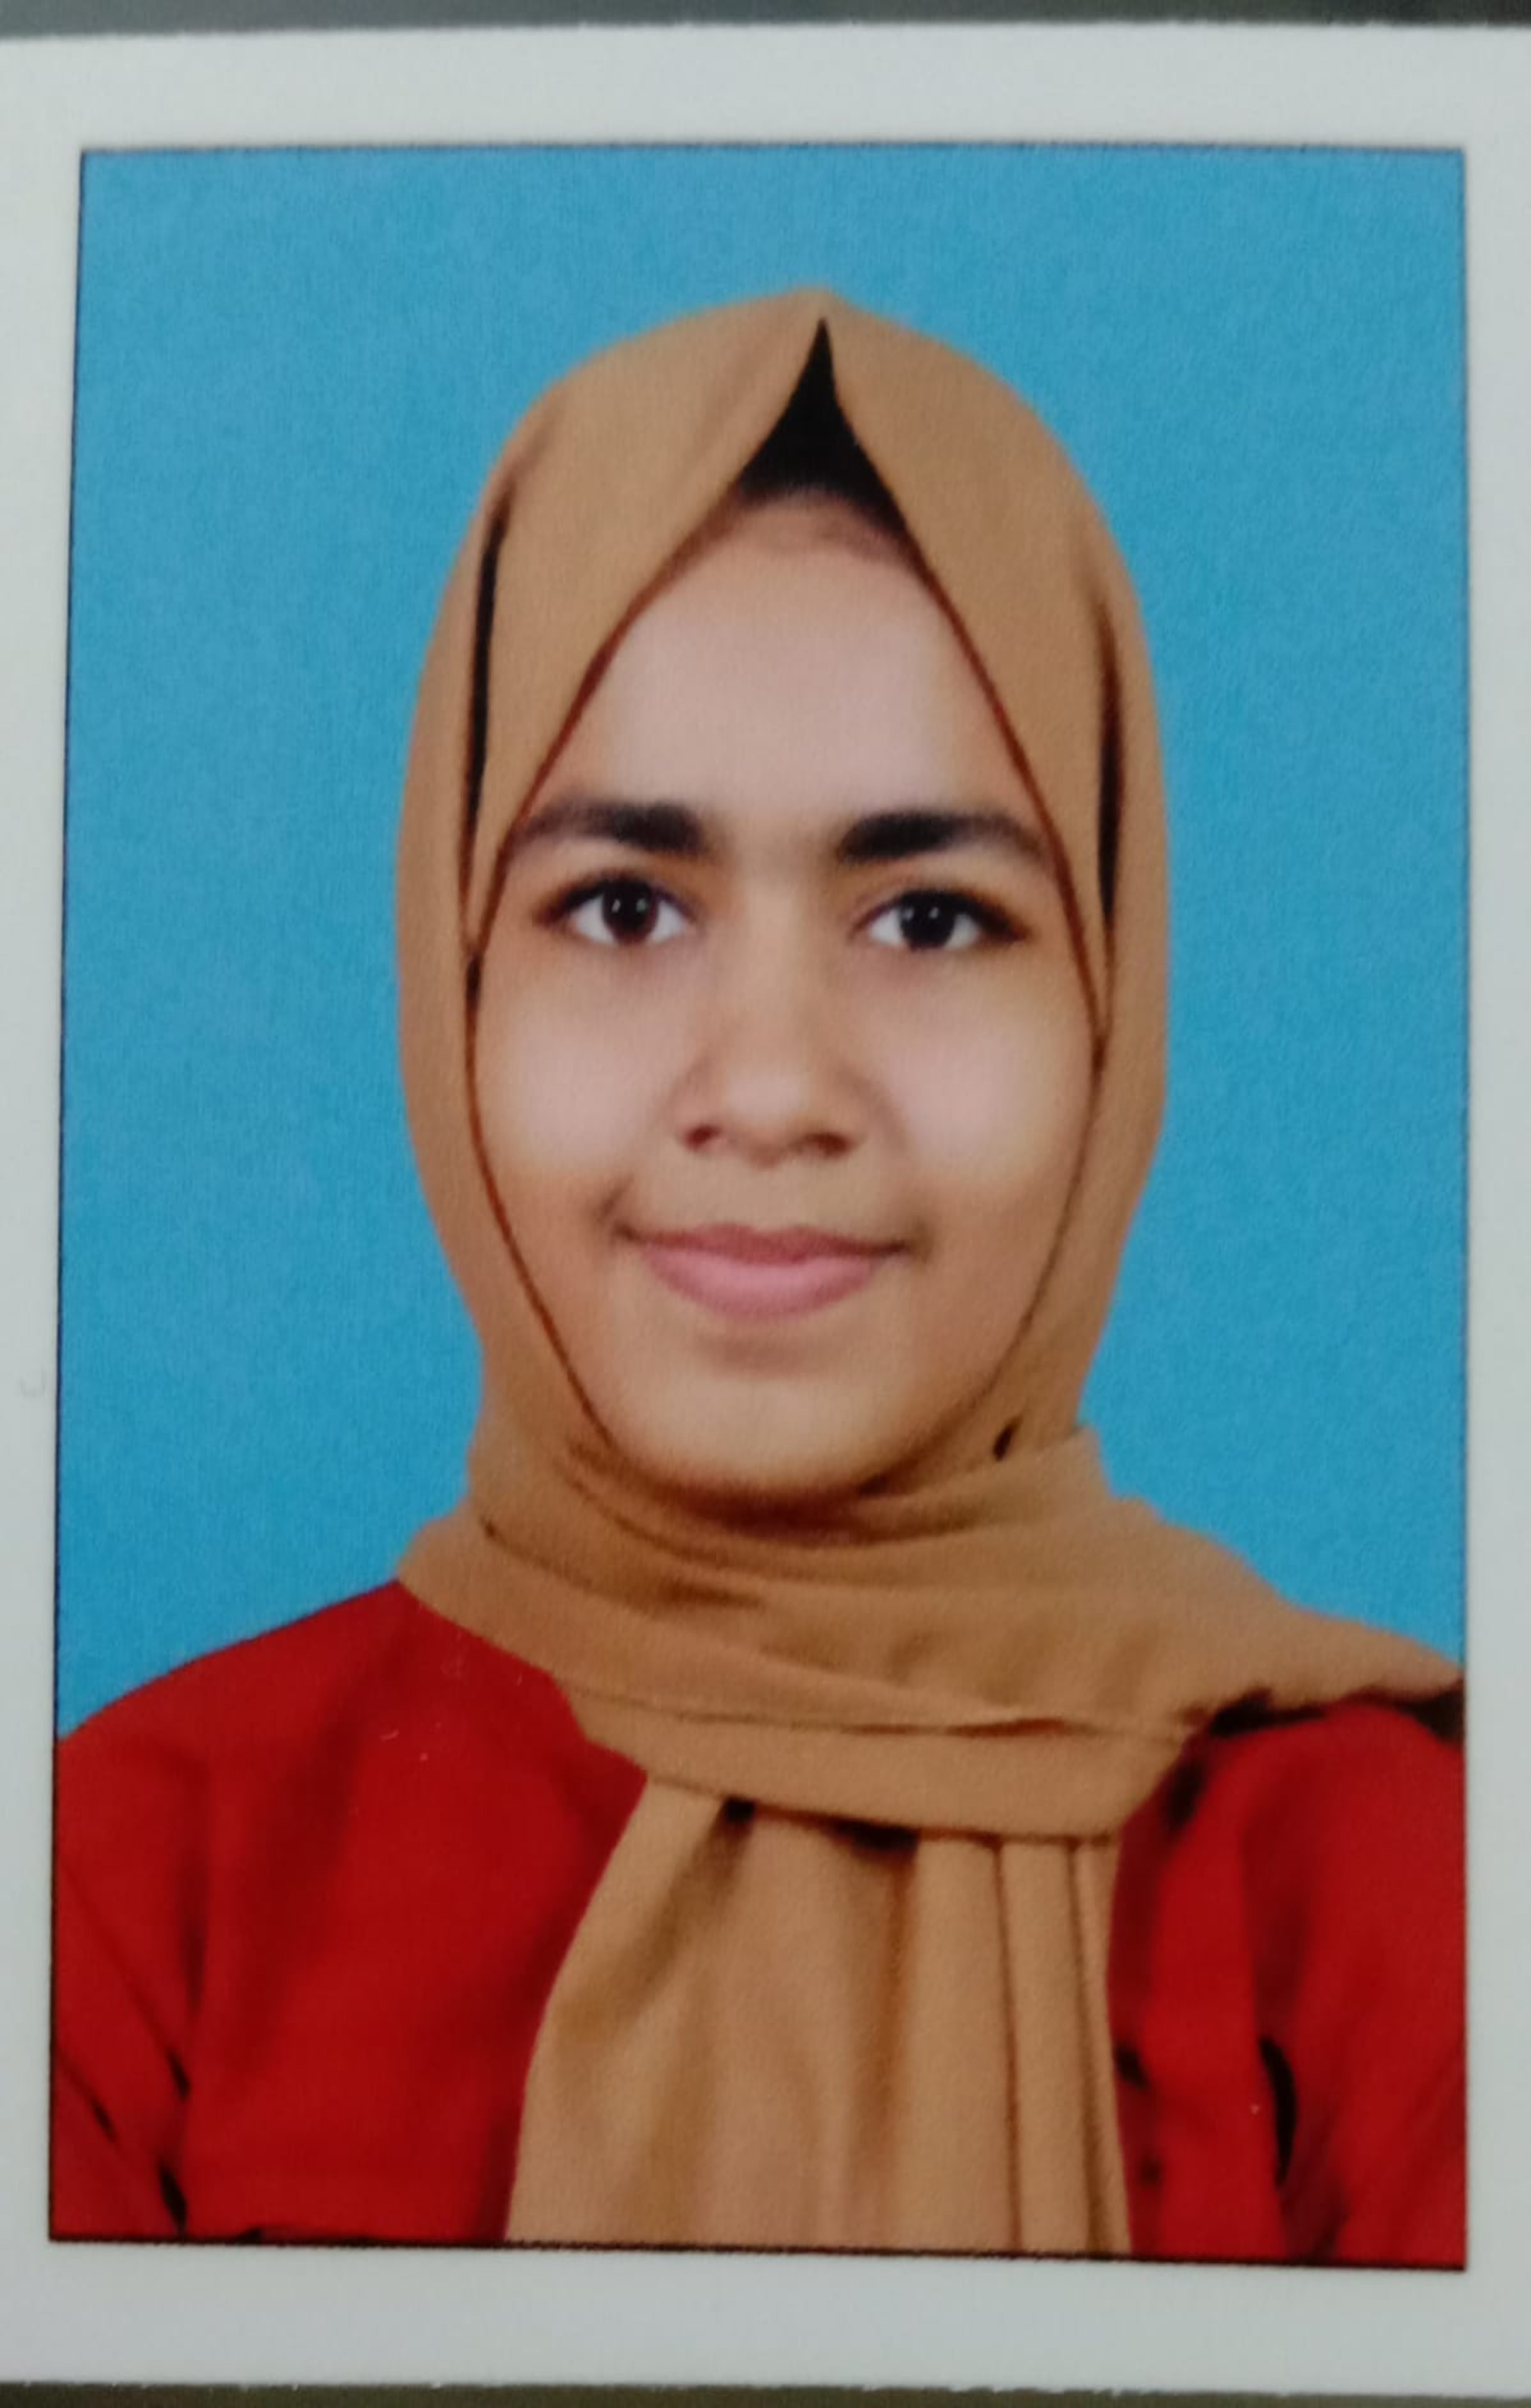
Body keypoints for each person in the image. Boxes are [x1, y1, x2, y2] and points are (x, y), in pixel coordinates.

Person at [52, 290, 1464, 2262]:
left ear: (1111, 1007)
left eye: (931, 918)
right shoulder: (130, 1893)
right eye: (623, 907)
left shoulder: (1400, 1903)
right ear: (453, 982)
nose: (776, 1089)